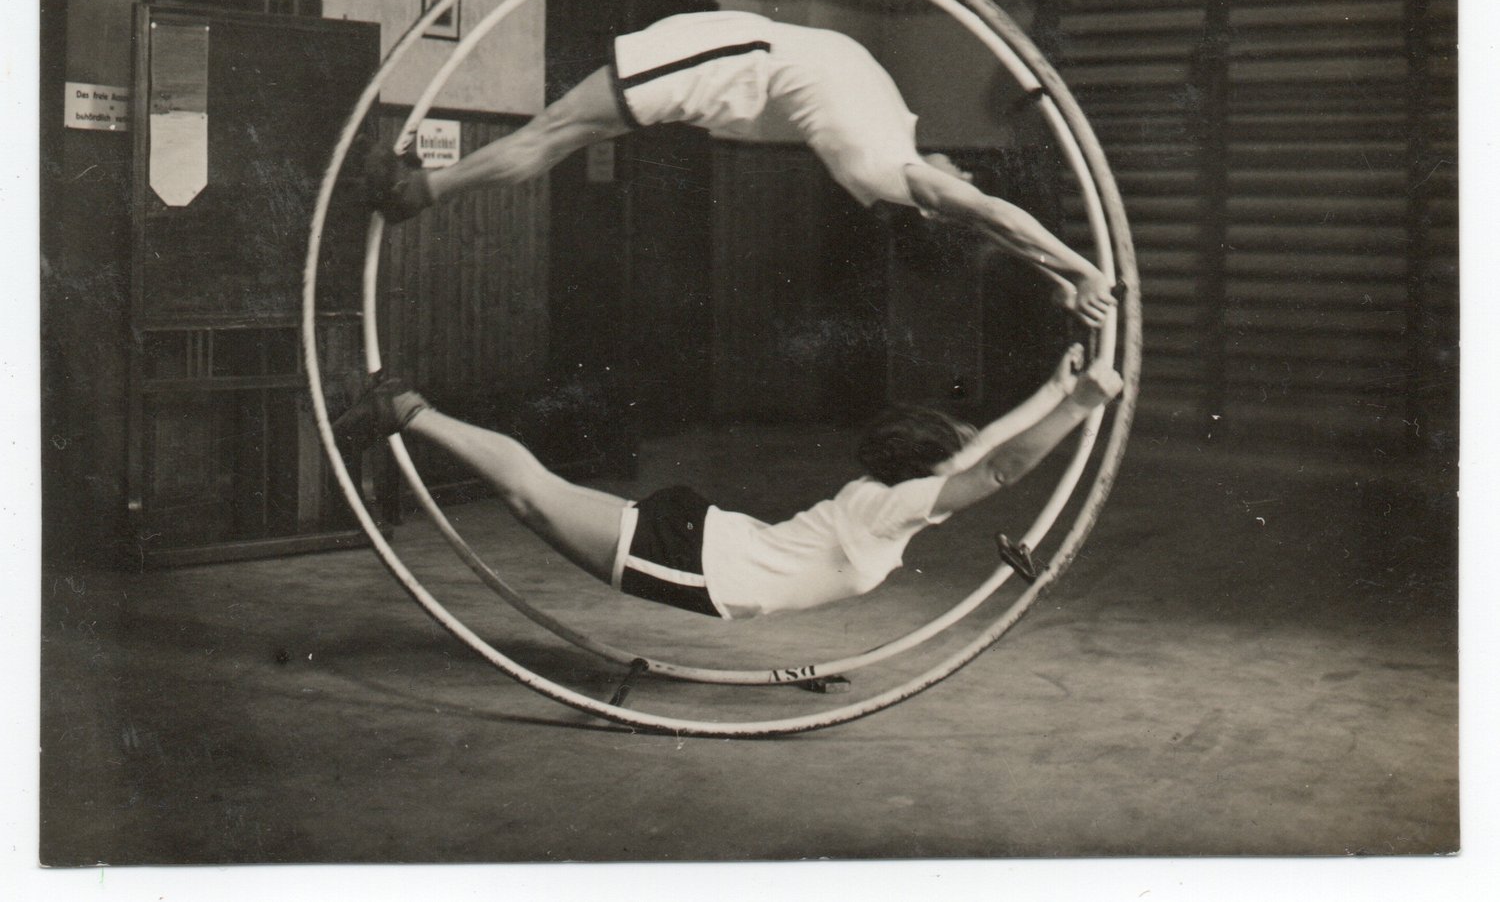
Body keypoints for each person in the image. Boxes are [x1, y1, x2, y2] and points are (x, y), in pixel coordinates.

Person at [366, 10, 1116, 328]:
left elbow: (996, 219)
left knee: (551, 131)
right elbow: (995, 234)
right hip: (728, 64)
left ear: (940, 209)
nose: (972, 180)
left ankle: (416, 191)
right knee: (554, 138)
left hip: (724, 64)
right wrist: (1055, 279)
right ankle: (422, 188)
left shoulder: (906, 179)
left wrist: (1082, 269)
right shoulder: (904, 169)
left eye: (969, 190)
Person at [334, 346, 1122, 620]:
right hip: (697, 562)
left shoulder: (896, 499)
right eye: (951, 449)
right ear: (928, 466)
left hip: (703, 541)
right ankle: (407, 409)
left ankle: (407, 409)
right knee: (529, 495)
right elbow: (999, 464)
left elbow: (982, 448)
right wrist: (1084, 402)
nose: (965, 450)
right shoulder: (896, 509)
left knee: (532, 499)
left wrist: (1057, 392)